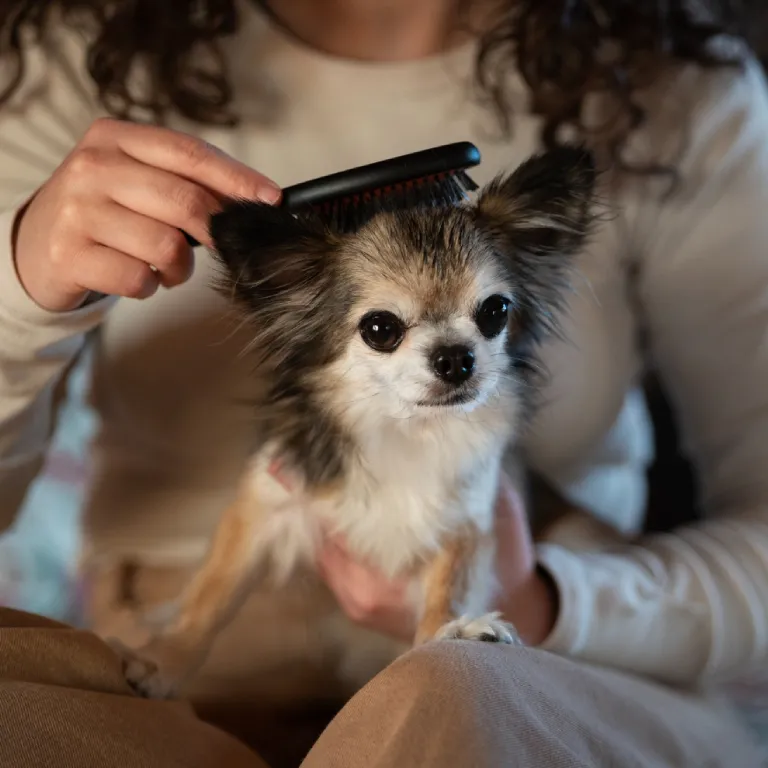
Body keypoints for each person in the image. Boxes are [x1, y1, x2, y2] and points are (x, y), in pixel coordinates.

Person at [0, 1, 766, 766]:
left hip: (541, 661)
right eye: (384, 328)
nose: (455, 354)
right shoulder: (72, 60)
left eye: (491, 314)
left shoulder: (676, 88)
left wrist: (553, 602)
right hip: (193, 658)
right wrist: (21, 287)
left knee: (453, 694)